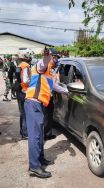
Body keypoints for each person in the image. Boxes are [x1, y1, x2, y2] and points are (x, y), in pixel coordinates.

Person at [25, 47, 68, 178]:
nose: (57, 60)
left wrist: (66, 91)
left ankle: (40, 159)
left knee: (40, 134)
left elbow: (53, 86)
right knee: (35, 137)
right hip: (33, 103)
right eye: (56, 58)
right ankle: (34, 166)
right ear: (52, 57)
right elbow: (43, 62)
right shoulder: (41, 66)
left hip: (40, 104)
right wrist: (47, 55)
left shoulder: (48, 72)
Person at [16, 51, 31, 139]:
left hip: (19, 90)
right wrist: (32, 81)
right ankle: (25, 133)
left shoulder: (19, 65)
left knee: (22, 112)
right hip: (24, 91)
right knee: (25, 113)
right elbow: (25, 80)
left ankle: (23, 131)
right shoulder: (25, 65)